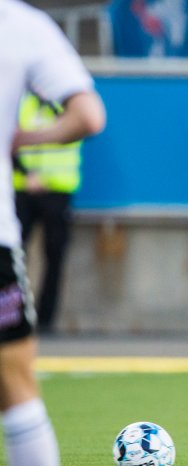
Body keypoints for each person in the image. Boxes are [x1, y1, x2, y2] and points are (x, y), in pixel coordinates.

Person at [0, 1, 106, 466]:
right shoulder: (20, 26)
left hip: (49, 196)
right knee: (15, 382)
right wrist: (22, 141)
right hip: (1, 225)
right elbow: (90, 116)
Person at [12, 93, 85, 334]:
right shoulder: (21, 102)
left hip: (58, 189)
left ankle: (45, 320)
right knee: (14, 255)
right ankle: (13, 316)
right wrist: (26, 173)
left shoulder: (70, 104)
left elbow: (86, 126)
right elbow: (8, 140)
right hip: (23, 189)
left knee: (55, 255)